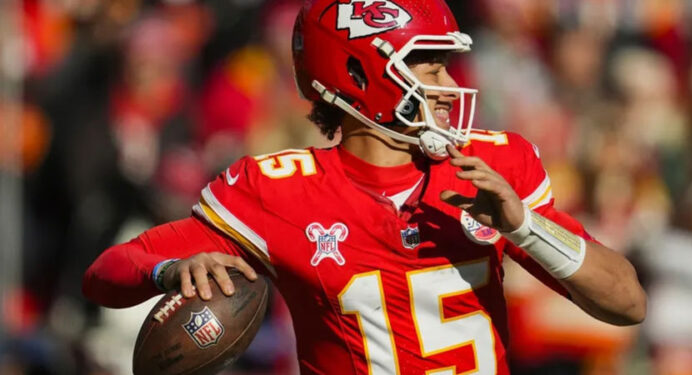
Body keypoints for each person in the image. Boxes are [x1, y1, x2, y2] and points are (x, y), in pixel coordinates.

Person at [82, 1, 646, 373]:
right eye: (429, 67)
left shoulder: (494, 163)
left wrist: (524, 226)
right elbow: (106, 274)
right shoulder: (274, 189)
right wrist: (170, 269)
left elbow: (626, 302)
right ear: (359, 75)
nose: (451, 86)